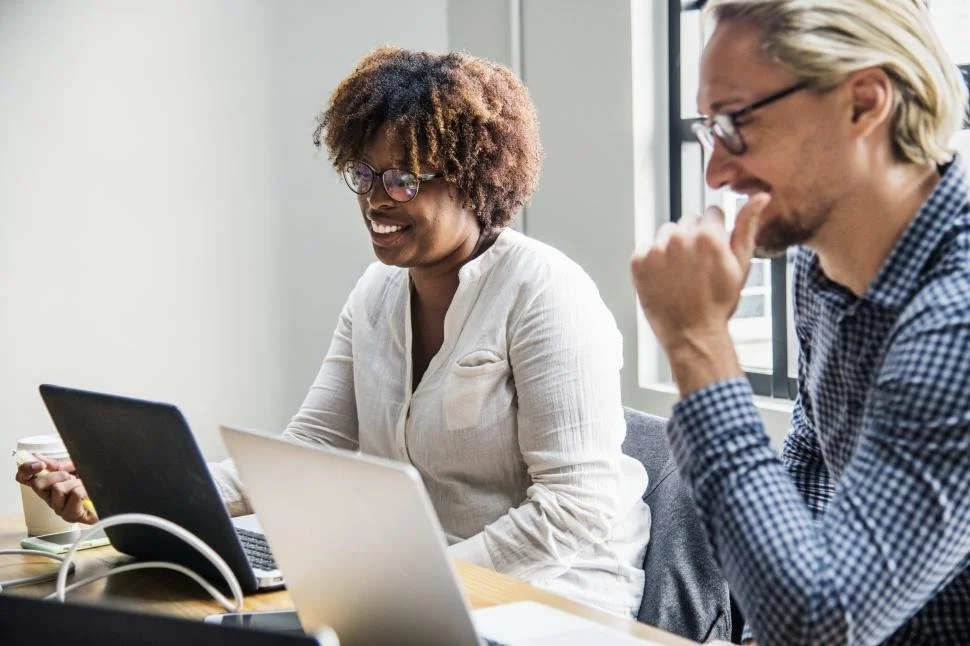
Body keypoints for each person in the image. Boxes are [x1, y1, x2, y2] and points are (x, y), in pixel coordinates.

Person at [17, 47, 651, 617]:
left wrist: (419, 581)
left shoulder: (545, 293)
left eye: (404, 178)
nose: (377, 199)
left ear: (474, 177)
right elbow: (307, 449)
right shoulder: (376, 293)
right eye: (365, 175)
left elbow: (575, 510)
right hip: (404, 580)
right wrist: (129, 493)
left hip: (548, 592)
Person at [631, 0, 970, 643]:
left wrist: (699, 343)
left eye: (736, 124)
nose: (716, 172)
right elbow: (812, 473)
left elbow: (820, 624)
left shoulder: (957, 321)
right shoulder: (821, 272)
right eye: (710, 129)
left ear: (864, 103)